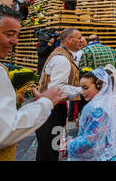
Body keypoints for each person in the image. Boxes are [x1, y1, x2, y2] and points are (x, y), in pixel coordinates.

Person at [0, 5, 65, 161]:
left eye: (17, 35)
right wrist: (45, 102)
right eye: (10, 34)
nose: (15, 41)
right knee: (50, 142)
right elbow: (5, 130)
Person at [65, 68, 116, 161]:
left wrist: (70, 144)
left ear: (99, 86)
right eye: (81, 88)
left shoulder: (98, 108)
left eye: (86, 88)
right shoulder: (103, 102)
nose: (82, 92)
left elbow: (90, 140)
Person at [35, 28, 83, 161]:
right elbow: (57, 88)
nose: (81, 40)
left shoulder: (63, 54)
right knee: (50, 150)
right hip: (52, 111)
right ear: (69, 39)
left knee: (51, 148)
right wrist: (82, 89)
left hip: (53, 109)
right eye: (79, 37)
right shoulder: (62, 59)